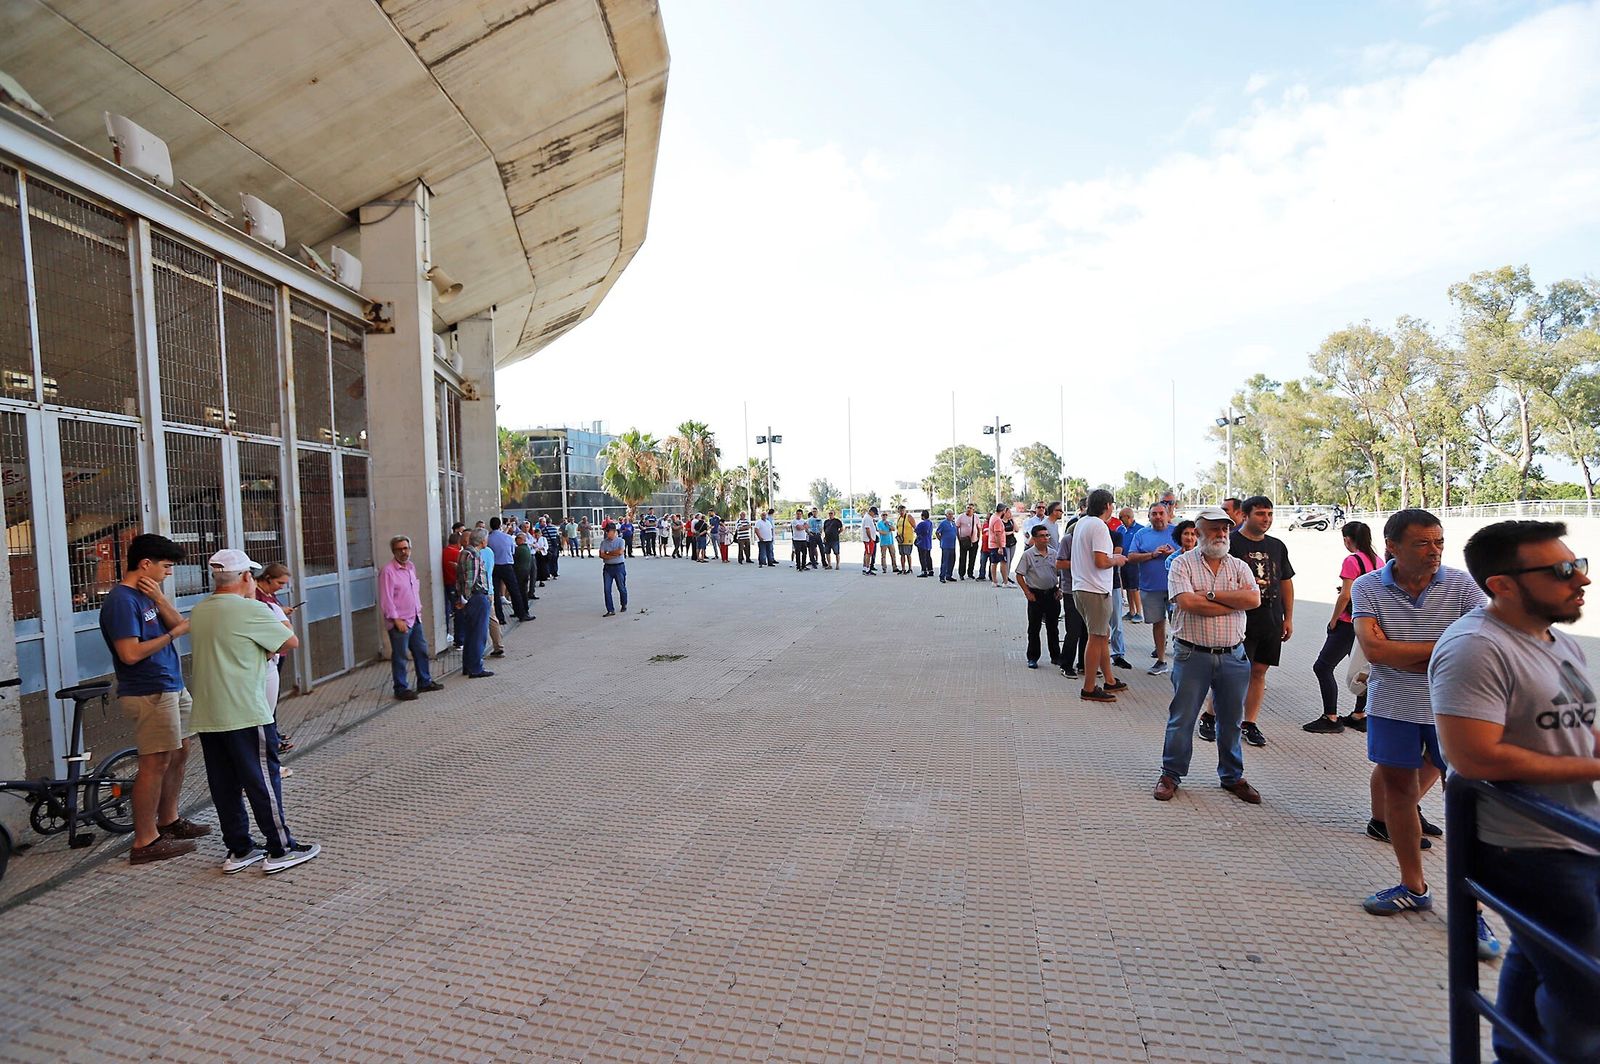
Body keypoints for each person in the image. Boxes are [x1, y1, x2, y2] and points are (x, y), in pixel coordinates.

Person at [1434, 521, 1595, 1060]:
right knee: (1587, 991)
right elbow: (1473, 756)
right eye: (1562, 571)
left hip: (1575, 837)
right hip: (1530, 848)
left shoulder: (1560, 640)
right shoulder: (1476, 648)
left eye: (1580, 565)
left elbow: (1582, 727)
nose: (1582, 581)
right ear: (1502, 584)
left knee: (1535, 961)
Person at [1352, 509, 1487, 932]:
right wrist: (1443, 649)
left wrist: (1405, 651)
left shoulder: (1462, 585)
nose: (1435, 552)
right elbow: (1375, 652)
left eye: (1439, 542)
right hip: (1392, 706)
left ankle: (1474, 913)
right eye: (1423, 543)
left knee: (1465, 801)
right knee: (1398, 793)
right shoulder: (1367, 586)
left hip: (1457, 709)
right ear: (1391, 546)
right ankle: (1414, 885)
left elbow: (1479, 645)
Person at [189, 549, 318, 874]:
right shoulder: (252, 610)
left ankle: (239, 848)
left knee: (224, 785)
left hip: (208, 712)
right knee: (262, 779)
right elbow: (290, 641)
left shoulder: (200, 610)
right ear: (247, 577)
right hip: (244, 709)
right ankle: (281, 848)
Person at [99, 532, 208, 865]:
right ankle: (145, 841)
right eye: (166, 565)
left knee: (180, 751)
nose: (170, 572)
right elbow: (130, 654)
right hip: (148, 690)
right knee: (155, 762)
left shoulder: (148, 594)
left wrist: (161, 601)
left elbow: (182, 624)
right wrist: (171, 634)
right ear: (145, 564)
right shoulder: (122, 601)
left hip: (170, 684)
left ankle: (169, 820)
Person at [1152, 509, 1262, 804]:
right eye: (1214, 529)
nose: (1222, 534)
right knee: (1182, 719)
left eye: (1225, 529)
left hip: (1233, 657)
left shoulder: (1239, 566)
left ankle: (1232, 776)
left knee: (1231, 720)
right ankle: (1171, 774)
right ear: (1198, 532)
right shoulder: (1181, 565)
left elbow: (1253, 599)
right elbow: (1187, 602)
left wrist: (1210, 595)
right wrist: (1231, 600)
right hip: (1192, 655)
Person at [1199, 496, 1292, 748]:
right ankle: (1210, 716)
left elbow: (1285, 581)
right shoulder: (1231, 544)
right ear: (1246, 515)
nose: (1267, 519)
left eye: (1270, 514)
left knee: (1259, 672)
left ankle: (1249, 723)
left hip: (1271, 621)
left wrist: (1288, 617)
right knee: (1231, 674)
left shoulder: (1277, 546)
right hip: (1240, 621)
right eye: (1261, 514)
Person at [1304, 521, 1381, 733]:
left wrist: (1333, 619)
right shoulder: (1379, 561)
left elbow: (1345, 595)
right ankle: (1360, 713)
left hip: (1348, 623)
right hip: (1368, 623)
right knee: (1362, 668)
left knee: (1323, 667)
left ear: (1347, 540)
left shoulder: (1352, 560)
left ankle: (1330, 717)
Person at [1071, 490, 1126, 702]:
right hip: (1095, 589)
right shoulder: (1099, 526)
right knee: (1096, 637)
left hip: (1082, 587)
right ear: (1108, 505)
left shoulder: (1082, 523)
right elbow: (1101, 561)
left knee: (1102, 636)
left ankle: (1109, 680)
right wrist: (1117, 560)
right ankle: (1089, 687)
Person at [379, 536, 441, 702]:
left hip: (415, 618)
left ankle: (424, 681)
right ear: (394, 551)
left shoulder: (411, 567)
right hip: (399, 621)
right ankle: (401, 688)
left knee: (421, 650)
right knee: (400, 655)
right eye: (400, 549)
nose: (404, 552)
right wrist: (395, 619)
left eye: (406, 548)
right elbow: (386, 599)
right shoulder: (388, 571)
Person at [1126, 503, 1179, 676]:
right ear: (1148, 516)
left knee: (1179, 624)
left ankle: (1180, 661)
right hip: (1150, 587)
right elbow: (1131, 557)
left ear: (1167, 515)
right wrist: (1152, 555)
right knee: (1158, 623)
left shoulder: (1177, 532)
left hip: (1176, 588)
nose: (1158, 517)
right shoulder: (1142, 534)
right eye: (1154, 514)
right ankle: (1161, 660)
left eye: (1161, 513)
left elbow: (1192, 551)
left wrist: (1173, 553)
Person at [253, 562, 297, 760]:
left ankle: (273, 733)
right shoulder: (256, 595)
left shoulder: (270, 595)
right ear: (268, 578)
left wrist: (282, 611)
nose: (282, 586)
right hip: (269, 652)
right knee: (266, 700)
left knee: (273, 697)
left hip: (279, 651)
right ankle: (270, 741)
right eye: (280, 582)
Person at [1016, 524, 1062, 668]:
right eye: (1042, 536)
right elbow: (1019, 575)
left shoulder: (1054, 554)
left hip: (1052, 594)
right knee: (1034, 628)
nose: (1045, 538)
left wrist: (1060, 589)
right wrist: (1027, 592)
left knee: (1053, 627)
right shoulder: (1028, 555)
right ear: (1034, 538)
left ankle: (1056, 656)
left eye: (1047, 535)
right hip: (1035, 595)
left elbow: (1062, 573)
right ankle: (1033, 657)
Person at [454, 529, 495, 678]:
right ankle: (476, 668)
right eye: (486, 539)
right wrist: (465, 598)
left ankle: (468, 666)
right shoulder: (474, 555)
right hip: (477, 597)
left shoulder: (464, 552)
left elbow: (459, 578)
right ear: (482, 541)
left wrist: (460, 597)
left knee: (470, 634)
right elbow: (470, 581)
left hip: (470, 598)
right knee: (478, 634)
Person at [486, 517, 531, 624]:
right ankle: (521, 614)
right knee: (514, 591)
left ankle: (500, 618)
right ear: (500, 525)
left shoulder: (489, 539)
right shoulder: (507, 538)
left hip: (494, 566)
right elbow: (512, 551)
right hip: (507, 565)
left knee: (496, 593)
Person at [1119, 506, 1146, 622]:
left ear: (1128, 517)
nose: (1120, 519)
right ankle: (1131, 611)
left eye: (1121, 517)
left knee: (1135, 587)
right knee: (1128, 587)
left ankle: (1139, 613)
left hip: (1135, 563)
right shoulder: (1121, 529)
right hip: (1123, 562)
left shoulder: (1140, 530)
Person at [599, 521, 629, 615]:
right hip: (608, 568)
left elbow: (620, 552)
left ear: (613, 531)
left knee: (621, 587)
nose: (607, 533)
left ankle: (624, 603)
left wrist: (608, 553)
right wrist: (611, 554)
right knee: (607, 589)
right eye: (606, 531)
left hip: (619, 567)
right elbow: (601, 555)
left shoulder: (621, 541)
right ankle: (610, 609)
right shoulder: (604, 542)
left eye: (608, 531)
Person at [987, 505, 1011, 587]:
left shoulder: (993, 517)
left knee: (994, 562)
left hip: (992, 544)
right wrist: (1000, 547)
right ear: (1003, 511)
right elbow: (997, 534)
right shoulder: (997, 520)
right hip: (998, 545)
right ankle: (1005, 582)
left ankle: (994, 581)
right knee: (1003, 562)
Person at [956, 503, 980, 581]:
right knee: (963, 558)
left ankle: (970, 573)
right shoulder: (961, 517)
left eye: (970, 508)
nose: (968, 509)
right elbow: (957, 527)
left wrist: (978, 538)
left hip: (974, 541)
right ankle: (961, 574)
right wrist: (959, 539)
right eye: (967, 508)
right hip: (964, 541)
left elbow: (979, 528)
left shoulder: (976, 517)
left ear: (973, 510)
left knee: (972, 558)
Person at [936, 509, 958, 583]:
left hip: (953, 545)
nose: (951, 515)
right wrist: (941, 539)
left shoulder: (953, 523)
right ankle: (942, 576)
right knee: (945, 561)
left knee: (952, 561)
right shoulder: (943, 523)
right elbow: (937, 532)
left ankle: (949, 575)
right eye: (949, 514)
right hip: (946, 545)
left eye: (951, 514)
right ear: (946, 515)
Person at [896, 506, 917, 576]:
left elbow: (915, 527)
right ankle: (903, 569)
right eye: (900, 510)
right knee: (902, 554)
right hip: (900, 540)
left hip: (908, 539)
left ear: (905, 511)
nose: (901, 512)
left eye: (903, 510)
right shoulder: (899, 518)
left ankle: (910, 568)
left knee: (908, 554)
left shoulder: (909, 517)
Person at [914, 510, 934, 577]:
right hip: (928, 542)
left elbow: (916, 530)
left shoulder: (922, 523)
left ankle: (924, 571)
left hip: (922, 542)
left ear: (923, 516)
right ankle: (930, 570)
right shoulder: (930, 523)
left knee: (922, 557)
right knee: (928, 556)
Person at [861, 508, 880, 574]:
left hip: (869, 539)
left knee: (867, 553)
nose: (874, 515)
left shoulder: (869, 518)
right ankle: (867, 569)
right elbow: (867, 529)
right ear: (871, 512)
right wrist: (871, 538)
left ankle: (865, 568)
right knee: (868, 554)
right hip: (868, 539)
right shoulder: (867, 518)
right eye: (874, 514)